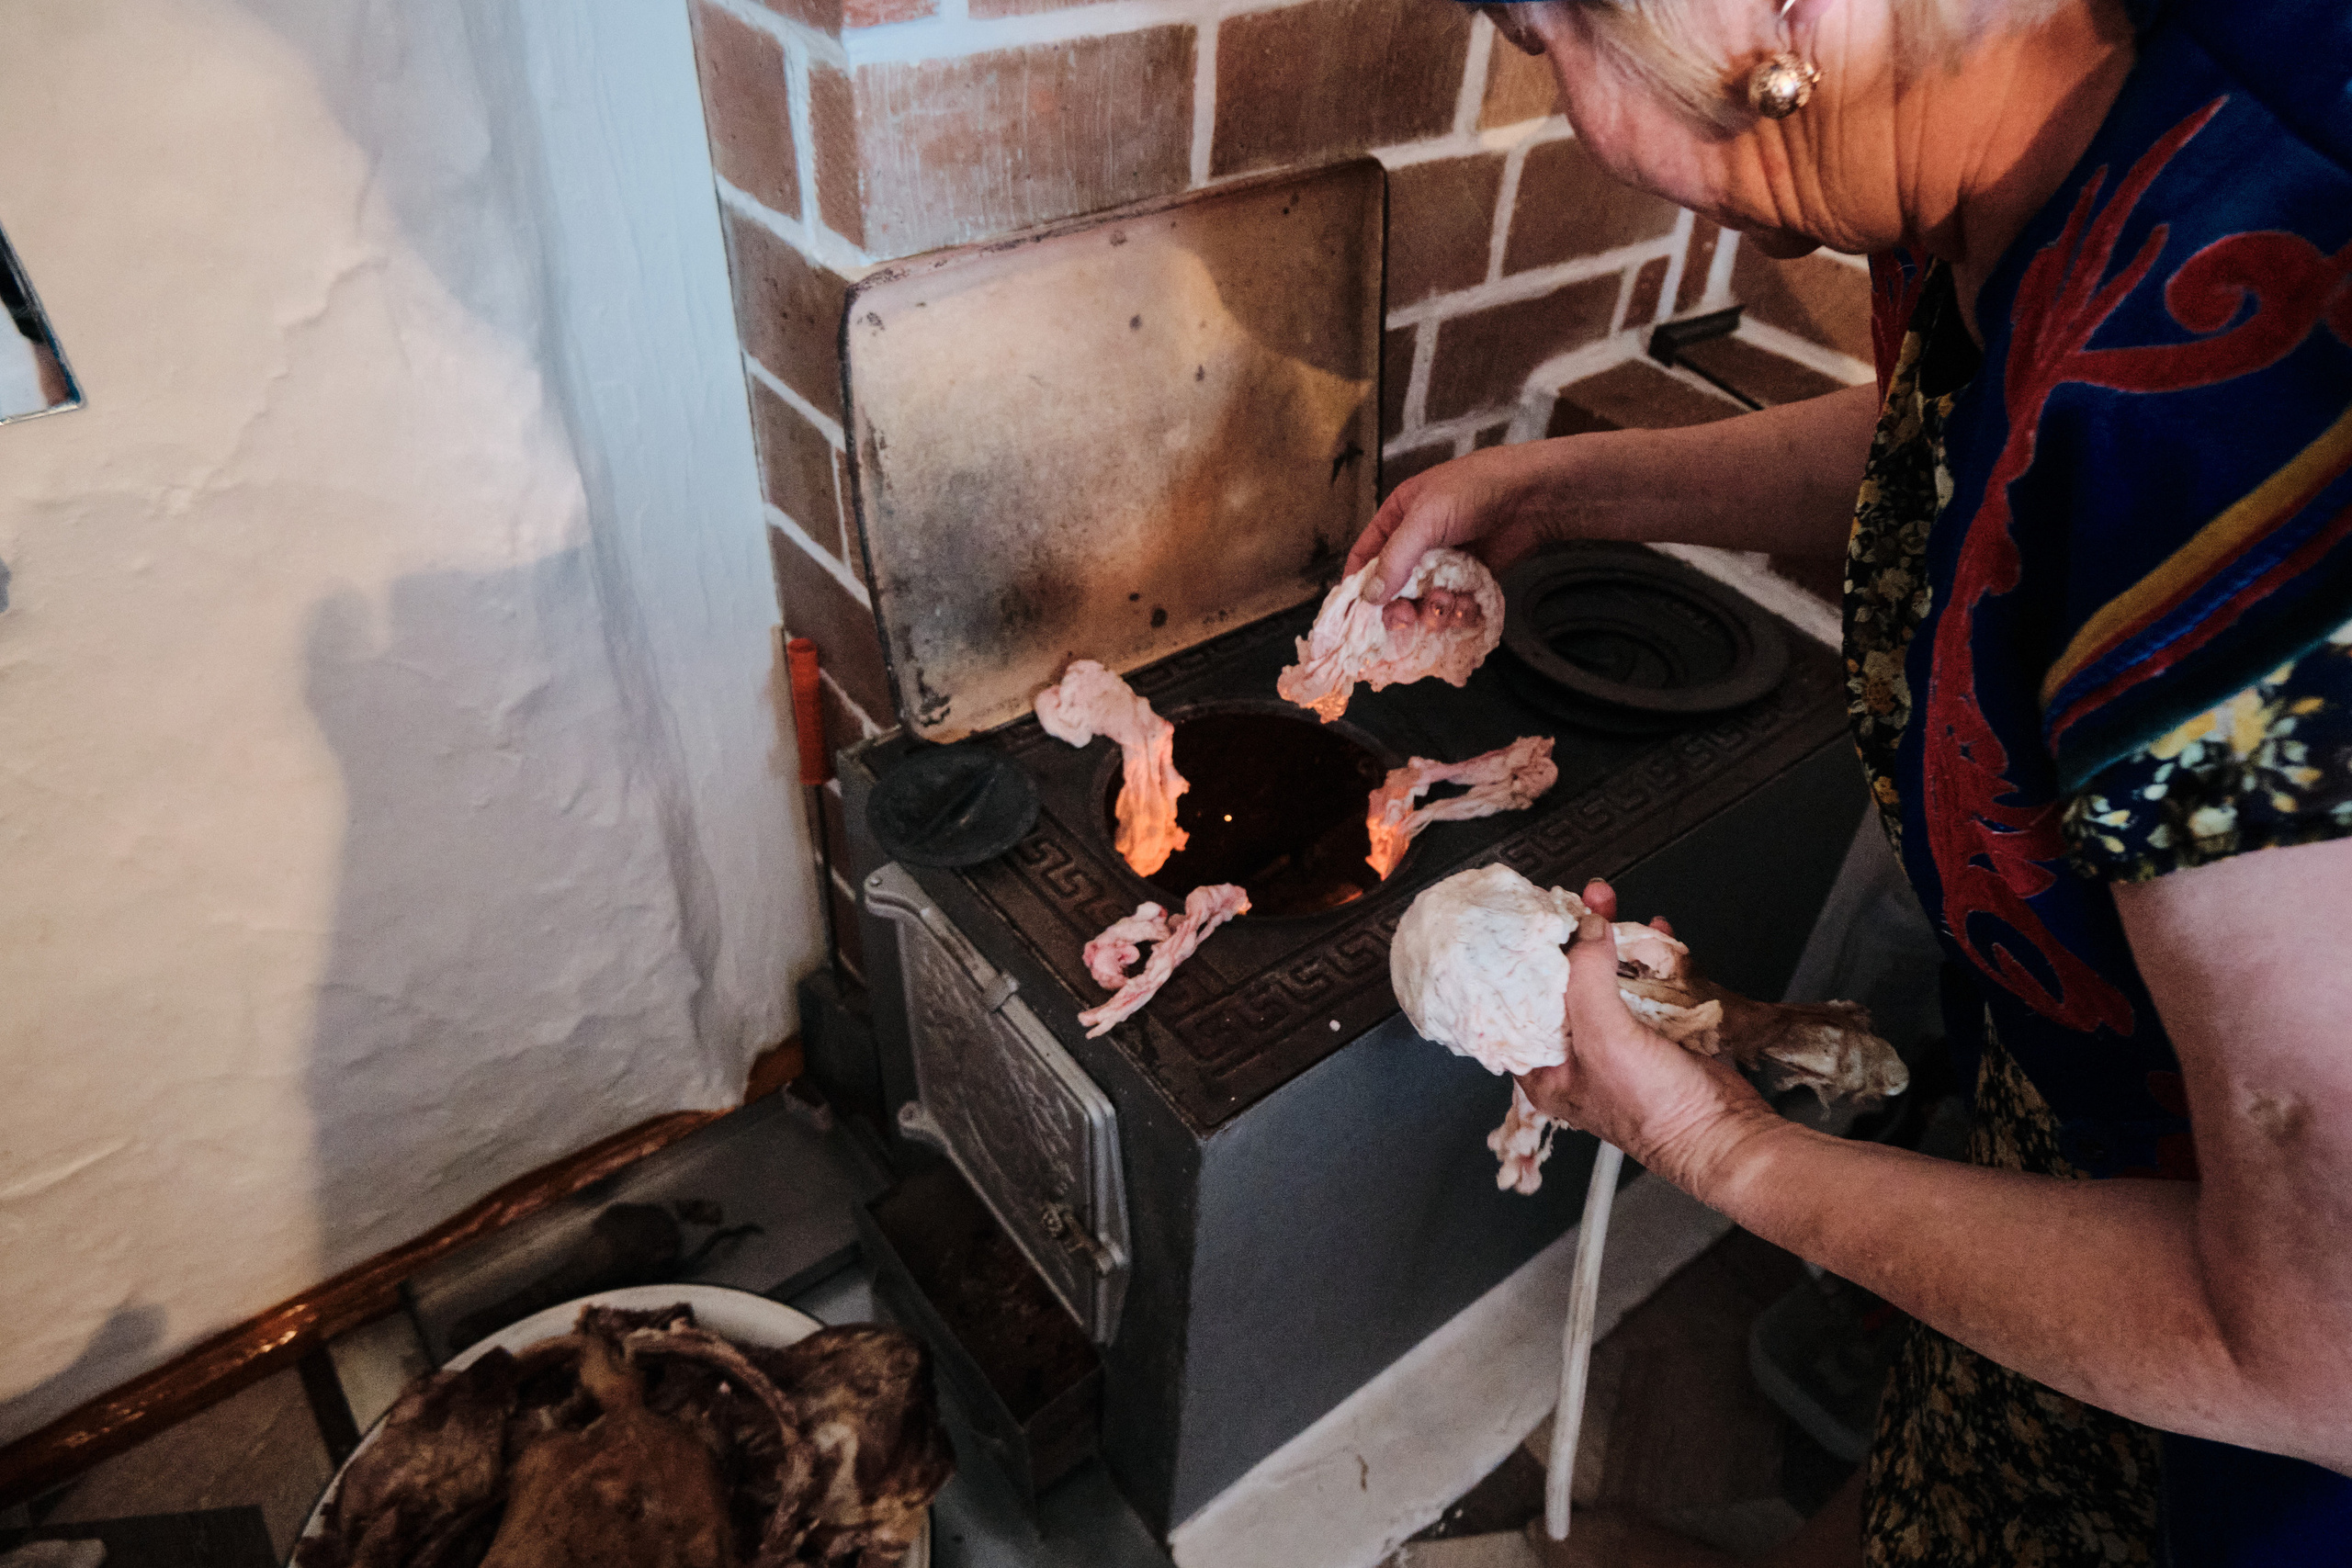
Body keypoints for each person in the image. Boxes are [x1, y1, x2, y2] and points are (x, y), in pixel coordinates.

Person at [1348, 1, 2352, 1562]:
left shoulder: (2268, 390)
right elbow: (1964, 434)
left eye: (1544, 36)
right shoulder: (2049, 130)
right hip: (2067, 1144)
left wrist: (1723, 1149)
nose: (1578, 123)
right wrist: (1563, 487)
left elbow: (2315, 1342)